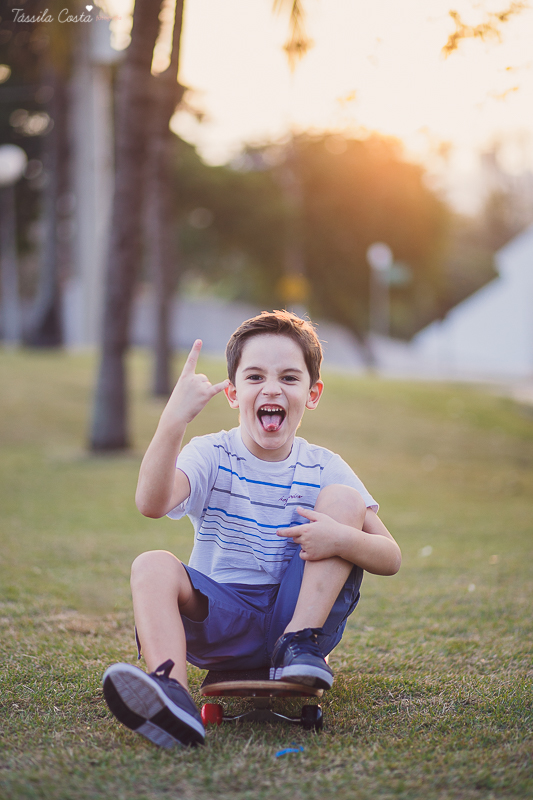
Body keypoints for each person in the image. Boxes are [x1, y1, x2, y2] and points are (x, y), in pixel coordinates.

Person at [102, 311, 401, 749]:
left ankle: (297, 644)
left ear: (312, 393)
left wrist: (341, 538)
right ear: (233, 391)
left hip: (299, 618)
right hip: (224, 621)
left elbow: (390, 557)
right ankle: (171, 696)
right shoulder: (211, 453)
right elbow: (151, 503)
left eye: (289, 377)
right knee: (151, 565)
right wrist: (174, 420)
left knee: (344, 500)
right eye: (256, 376)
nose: (272, 388)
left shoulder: (324, 465)